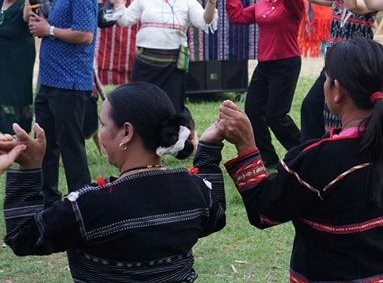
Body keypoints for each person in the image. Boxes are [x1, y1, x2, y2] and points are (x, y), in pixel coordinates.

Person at [219, 37, 383, 282]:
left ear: (337, 90)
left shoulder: (318, 160)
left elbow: (263, 211)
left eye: (326, 79)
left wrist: (246, 145)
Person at [3, 81, 226, 282]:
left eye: (103, 125)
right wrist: (209, 149)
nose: (101, 134)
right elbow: (216, 215)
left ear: (126, 132)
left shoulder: (90, 206)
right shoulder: (195, 191)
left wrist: (29, 168)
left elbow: (23, 237)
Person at [24, 0, 97, 208]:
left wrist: (49, 30)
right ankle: (49, 202)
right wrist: (44, 24)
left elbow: (85, 35)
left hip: (69, 83)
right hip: (49, 80)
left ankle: (82, 202)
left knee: (71, 145)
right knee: (46, 144)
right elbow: (49, 20)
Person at [218, 0, 305, 167]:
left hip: (286, 63)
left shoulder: (295, 3)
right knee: (253, 111)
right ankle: (268, 158)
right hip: (264, 66)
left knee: (276, 115)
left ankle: (303, 151)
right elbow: (238, 16)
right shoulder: (265, 3)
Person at [108, 0, 220, 115]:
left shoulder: (187, 1)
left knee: (170, 109)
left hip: (171, 68)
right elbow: (124, 20)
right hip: (144, 65)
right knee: (139, 107)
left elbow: (205, 21)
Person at [299, 0, 378, 141]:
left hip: (354, 67)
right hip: (332, 66)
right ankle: (312, 150)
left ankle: (337, 146)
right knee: (311, 106)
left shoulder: (370, 0)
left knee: (340, 116)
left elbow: (352, 4)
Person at [0, 0, 35, 134]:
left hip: (16, 68)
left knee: (13, 107)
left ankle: (16, 139)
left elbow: (29, 14)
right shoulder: (1, 2)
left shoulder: (24, 6)